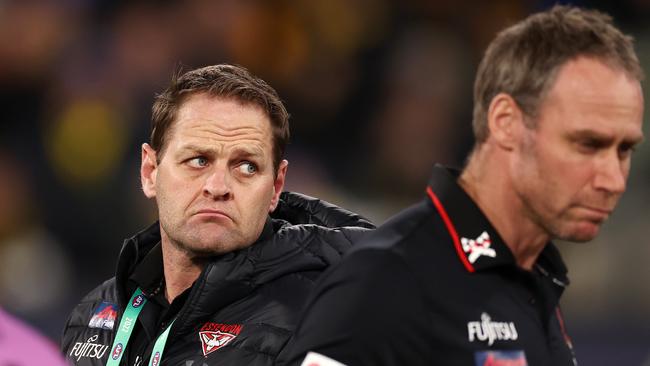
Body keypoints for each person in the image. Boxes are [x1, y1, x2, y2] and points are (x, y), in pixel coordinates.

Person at [278, 5, 644, 366]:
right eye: (587, 144)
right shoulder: (392, 277)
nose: (613, 179)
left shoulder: (533, 278)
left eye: (624, 149)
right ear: (505, 123)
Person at [60, 64, 374, 366]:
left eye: (247, 167)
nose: (218, 186)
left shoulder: (319, 324)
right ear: (150, 171)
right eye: (198, 160)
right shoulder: (93, 316)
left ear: (276, 187)